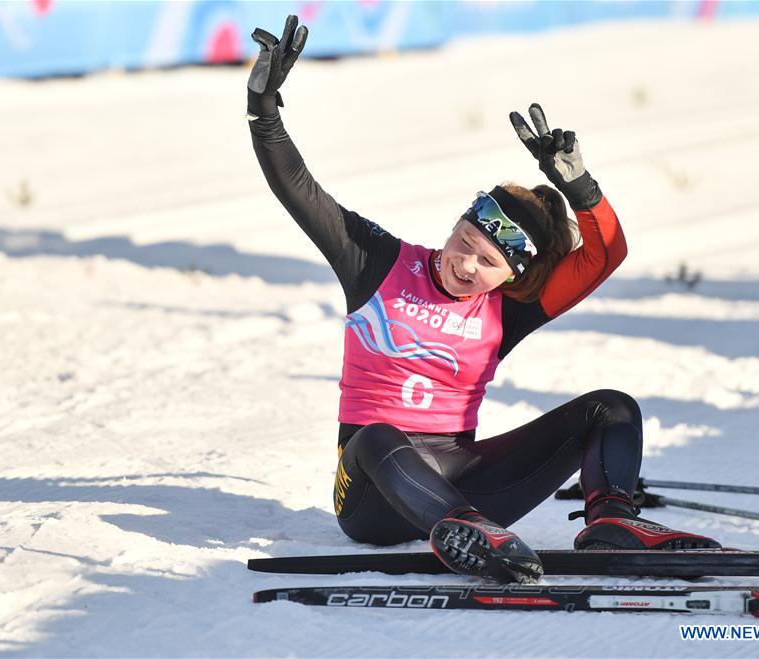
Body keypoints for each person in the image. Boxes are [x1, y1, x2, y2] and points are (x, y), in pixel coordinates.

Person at [247, 16, 721, 584]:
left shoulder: (510, 308)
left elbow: (606, 253)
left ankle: (612, 521)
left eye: (487, 262)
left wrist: (581, 188)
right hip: (372, 495)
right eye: (464, 241)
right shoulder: (378, 262)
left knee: (611, 407)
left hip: (460, 479)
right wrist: (264, 111)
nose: (465, 264)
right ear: (456, 225)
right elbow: (300, 190)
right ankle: (463, 530)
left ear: (511, 277)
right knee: (378, 433)